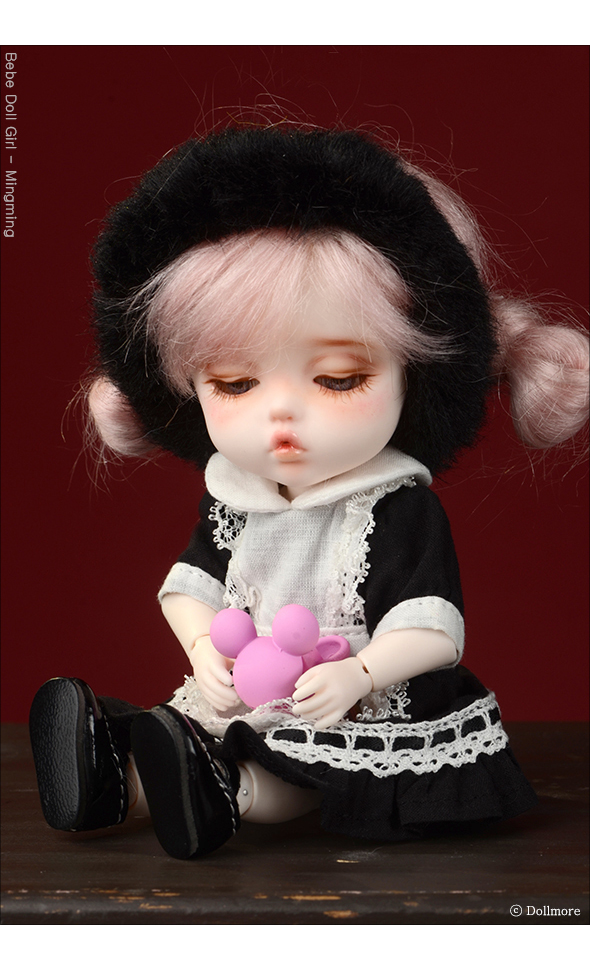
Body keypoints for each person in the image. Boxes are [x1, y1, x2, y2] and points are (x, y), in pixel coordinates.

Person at [30, 127, 589, 860]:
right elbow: (190, 585)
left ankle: (228, 795)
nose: (281, 416)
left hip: (356, 699)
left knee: (301, 761)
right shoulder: (237, 499)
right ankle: (121, 786)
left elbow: (433, 626)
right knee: (203, 724)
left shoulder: (392, 506)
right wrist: (202, 649)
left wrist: (359, 671)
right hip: (249, 684)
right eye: (235, 383)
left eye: (338, 379)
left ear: (414, 379)